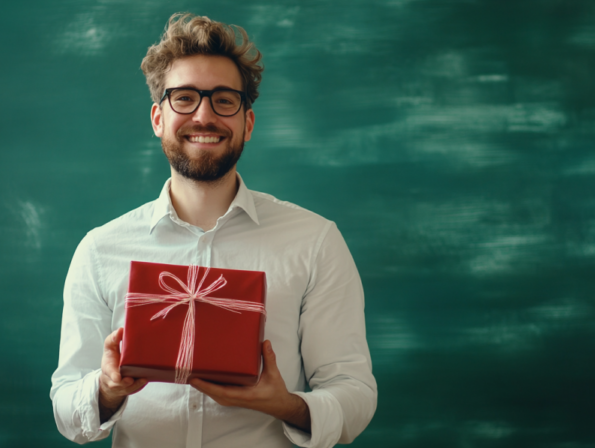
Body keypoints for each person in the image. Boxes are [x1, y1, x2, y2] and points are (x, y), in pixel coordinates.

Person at [50, 13, 377, 448]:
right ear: (157, 118)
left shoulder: (315, 242)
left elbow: (354, 392)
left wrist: (285, 404)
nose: (204, 116)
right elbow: (66, 407)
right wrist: (106, 391)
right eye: (184, 98)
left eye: (224, 100)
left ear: (248, 123)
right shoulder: (100, 249)